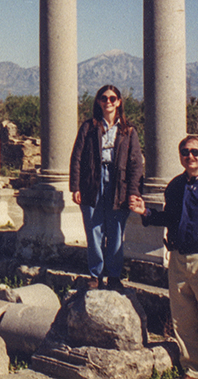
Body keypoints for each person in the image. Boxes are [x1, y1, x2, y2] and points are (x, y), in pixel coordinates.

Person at [129, 136, 198, 379]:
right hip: (179, 260)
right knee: (184, 322)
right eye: (184, 151)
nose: (190, 156)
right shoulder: (175, 186)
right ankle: (193, 370)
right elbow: (169, 218)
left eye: (194, 152)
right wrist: (145, 212)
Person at [70, 84, 143, 291]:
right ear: (98, 102)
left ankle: (114, 275)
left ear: (119, 102)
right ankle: (95, 275)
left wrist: (134, 192)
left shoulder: (129, 130)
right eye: (104, 98)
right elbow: (77, 157)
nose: (108, 102)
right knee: (94, 230)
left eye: (112, 98)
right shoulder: (89, 127)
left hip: (119, 183)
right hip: (92, 181)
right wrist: (75, 186)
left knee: (116, 230)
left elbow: (136, 163)